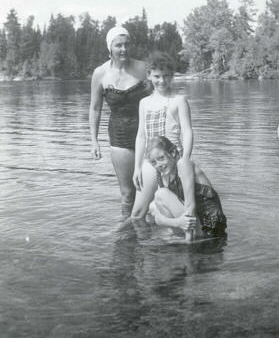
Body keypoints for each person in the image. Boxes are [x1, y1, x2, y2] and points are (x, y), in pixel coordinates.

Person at [89, 26, 152, 218]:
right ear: (110, 48)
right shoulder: (100, 73)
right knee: (127, 193)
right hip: (120, 134)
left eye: (126, 44)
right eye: (118, 45)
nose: (124, 49)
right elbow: (95, 108)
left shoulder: (142, 68)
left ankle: (152, 237)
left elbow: (159, 97)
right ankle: (127, 238)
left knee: (152, 188)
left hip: (148, 133)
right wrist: (94, 140)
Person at [131, 51, 195, 222]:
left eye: (166, 76)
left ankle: (172, 241)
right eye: (157, 76)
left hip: (173, 160)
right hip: (150, 161)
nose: (162, 81)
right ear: (149, 76)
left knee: (166, 208)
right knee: (140, 213)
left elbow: (187, 132)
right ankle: (138, 245)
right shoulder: (144, 103)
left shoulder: (178, 100)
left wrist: (185, 160)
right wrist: (137, 167)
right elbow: (141, 136)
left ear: (172, 76)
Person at [146, 136, 227, 242]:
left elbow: (190, 207)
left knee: (160, 194)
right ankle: (176, 234)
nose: (159, 165)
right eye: (154, 162)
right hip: (193, 223)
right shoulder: (162, 175)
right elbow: (154, 216)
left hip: (210, 227)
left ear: (173, 153)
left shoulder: (183, 164)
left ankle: (188, 239)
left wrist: (188, 243)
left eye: (161, 158)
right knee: (152, 206)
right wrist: (176, 222)